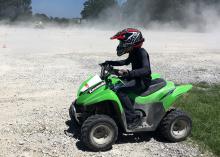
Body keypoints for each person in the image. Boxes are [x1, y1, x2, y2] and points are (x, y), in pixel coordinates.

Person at [103, 28, 152, 130]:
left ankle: (133, 119)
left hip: (142, 81)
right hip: (136, 78)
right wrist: (109, 62)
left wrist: (129, 73)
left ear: (131, 41)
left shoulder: (142, 52)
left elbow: (147, 70)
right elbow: (125, 62)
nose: (121, 44)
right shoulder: (133, 52)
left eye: (122, 42)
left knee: (121, 91)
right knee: (115, 85)